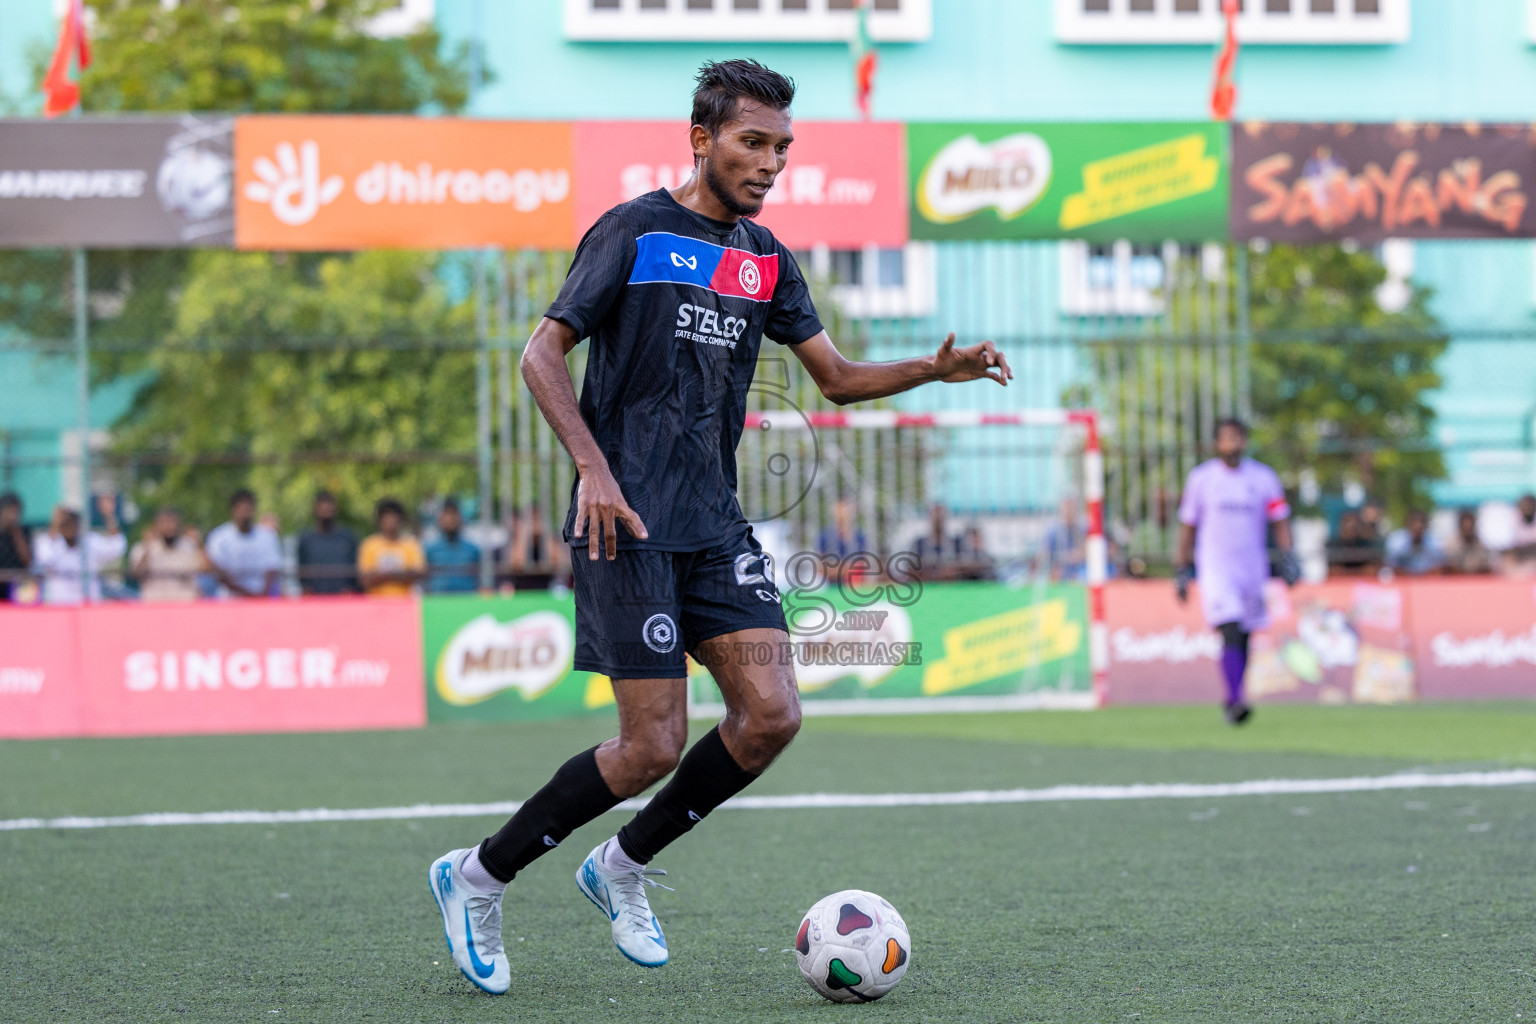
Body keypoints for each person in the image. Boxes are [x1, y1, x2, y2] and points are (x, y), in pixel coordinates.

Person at [427, 59, 1013, 996]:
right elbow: (541, 354)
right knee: (651, 745)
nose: (770, 162)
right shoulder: (632, 229)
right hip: (623, 522)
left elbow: (837, 377)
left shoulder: (768, 258)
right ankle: (475, 877)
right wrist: (592, 469)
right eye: (753, 142)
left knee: (772, 714)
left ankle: (621, 865)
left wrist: (929, 371)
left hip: (713, 525)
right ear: (701, 139)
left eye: (782, 148)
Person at [1174, 418, 1298, 726]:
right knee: (1228, 626)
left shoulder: (1263, 477)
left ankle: (1234, 697)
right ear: (1216, 444)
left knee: (1244, 633)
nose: (1233, 444)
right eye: (1226, 438)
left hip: (1252, 568)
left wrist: (1288, 556)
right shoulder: (1202, 479)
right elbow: (1188, 526)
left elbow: (1279, 520)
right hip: (1215, 567)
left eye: (1238, 438)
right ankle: (1235, 697)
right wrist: (1181, 566)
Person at [32, 498, 126, 605]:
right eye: (66, 522)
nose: (71, 526)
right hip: (59, 609)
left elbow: (117, 547)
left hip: (88, 609)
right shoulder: (49, 543)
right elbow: (43, 559)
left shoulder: (90, 542)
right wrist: (55, 524)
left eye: (73, 521)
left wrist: (109, 515)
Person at [205, 490, 284, 598]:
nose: (245, 512)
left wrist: (261, 595)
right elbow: (218, 571)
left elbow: (272, 569)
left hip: (262, 598)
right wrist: (245, 594)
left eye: (248, 508)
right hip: (230, 599)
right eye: (241, 508)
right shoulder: (219, 537)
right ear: (233, 510)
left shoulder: (267, 536)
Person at [129, 507, 207, 602]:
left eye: (172, 522)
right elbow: (136, 574)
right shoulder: (143, 547)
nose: (169, 526)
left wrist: (200, 545)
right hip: (154, 607)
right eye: (164, 522)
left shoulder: (190, 546)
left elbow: (206, 570)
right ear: (155, 525)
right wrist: (147, 548)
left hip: (186, 606)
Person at [357, 497, 425, 597]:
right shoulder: (369, 545)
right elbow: (365, 579)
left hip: (405, 604)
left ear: (401, 519)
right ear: (379, 520)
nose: (391, 521)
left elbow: (418, 574)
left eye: (394, 516)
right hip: (375, 605)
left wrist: (381, 575)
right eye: (387, 516)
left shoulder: (411, 544)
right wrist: (399, 575)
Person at [296, 490, 360, 595]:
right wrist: (306, 590)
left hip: (343, 597)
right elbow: (301, 569)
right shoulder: (306, 539)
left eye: (329, 507)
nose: (326, 510)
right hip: (315, 597)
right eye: (322, 507)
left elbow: (355, 566)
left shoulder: (347, 537)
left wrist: (351, 589)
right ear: (315, 509)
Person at [424, 498, 480, 594]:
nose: (451, 518)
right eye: (447, 514)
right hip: (437, 603)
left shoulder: (473, 550)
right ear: (440, 519)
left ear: (461, 518)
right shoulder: (430, 550)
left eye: (454, 514)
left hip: (467, 603)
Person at [1384, 509, 1443, 576]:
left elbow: (1438, 566)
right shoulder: (1396, 540)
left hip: (1427, 581)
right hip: (1401, 580)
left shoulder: (1434, 541)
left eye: (1421, 523)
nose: (1418, 526)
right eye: (1414, 522)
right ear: (1407, 523)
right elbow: (1391, 565)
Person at [912, 502, 961, 580]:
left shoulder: (956, 543)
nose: (938, 519)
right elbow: (911, 567)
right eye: (935, 515)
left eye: (941, 516)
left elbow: (964, 564)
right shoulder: (919, 544)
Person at [1326, 509, 1381, 577]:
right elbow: (1333, 571)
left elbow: (1372, 570)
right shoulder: (1333, 544)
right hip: (1340, 584)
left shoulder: (1366, 544)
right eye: (1347, 522)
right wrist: (1357, 572)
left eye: (1355, 522)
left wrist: (1348, 573)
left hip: (1364, 584)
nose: (1351, 525)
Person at [0, 492, 31, 602]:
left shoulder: (23, 532)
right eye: (10, 511)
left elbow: (28, 561)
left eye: (16, 512)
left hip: (18, 584)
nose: (13, 516)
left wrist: (17, 534)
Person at [1444, 507, 1492, 575]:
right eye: (1465, 525)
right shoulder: (1451, 544)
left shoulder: (1481, 544)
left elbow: (1485, 563)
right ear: (1460, 525)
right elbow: (1449, 564)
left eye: (1470, 525)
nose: (1467, 528)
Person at [1503, 492, 1536, 576]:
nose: (1528, 508)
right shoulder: (1513, 520)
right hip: (1521, 556)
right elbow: (1511, 545)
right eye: (1525, 506)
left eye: (1530, 506)